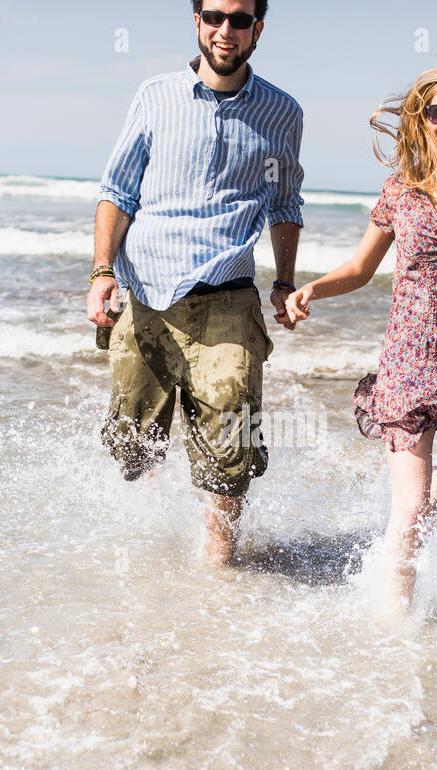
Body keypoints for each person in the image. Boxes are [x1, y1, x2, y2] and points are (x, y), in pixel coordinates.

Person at [285, 65, 437, 615]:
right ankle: (396, 626)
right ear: (422, 121)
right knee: (412, 507)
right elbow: (359, 267)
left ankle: (429, 604)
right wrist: (313, 290)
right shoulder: (401, 190)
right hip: (411, 358)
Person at [87, 0, 304, 566]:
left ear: (258, 28)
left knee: (231, 437)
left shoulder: (282, 114)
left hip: (227, 296)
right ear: (197, 23)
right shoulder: (155, 96)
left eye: (238, 19)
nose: (224, 30)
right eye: (214, 17)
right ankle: (146, 551)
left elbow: (283, 202)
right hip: (146, 298)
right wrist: (102, 272)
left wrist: (284, 280)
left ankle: (217, 563)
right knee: (135, 443)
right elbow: (118, 192)